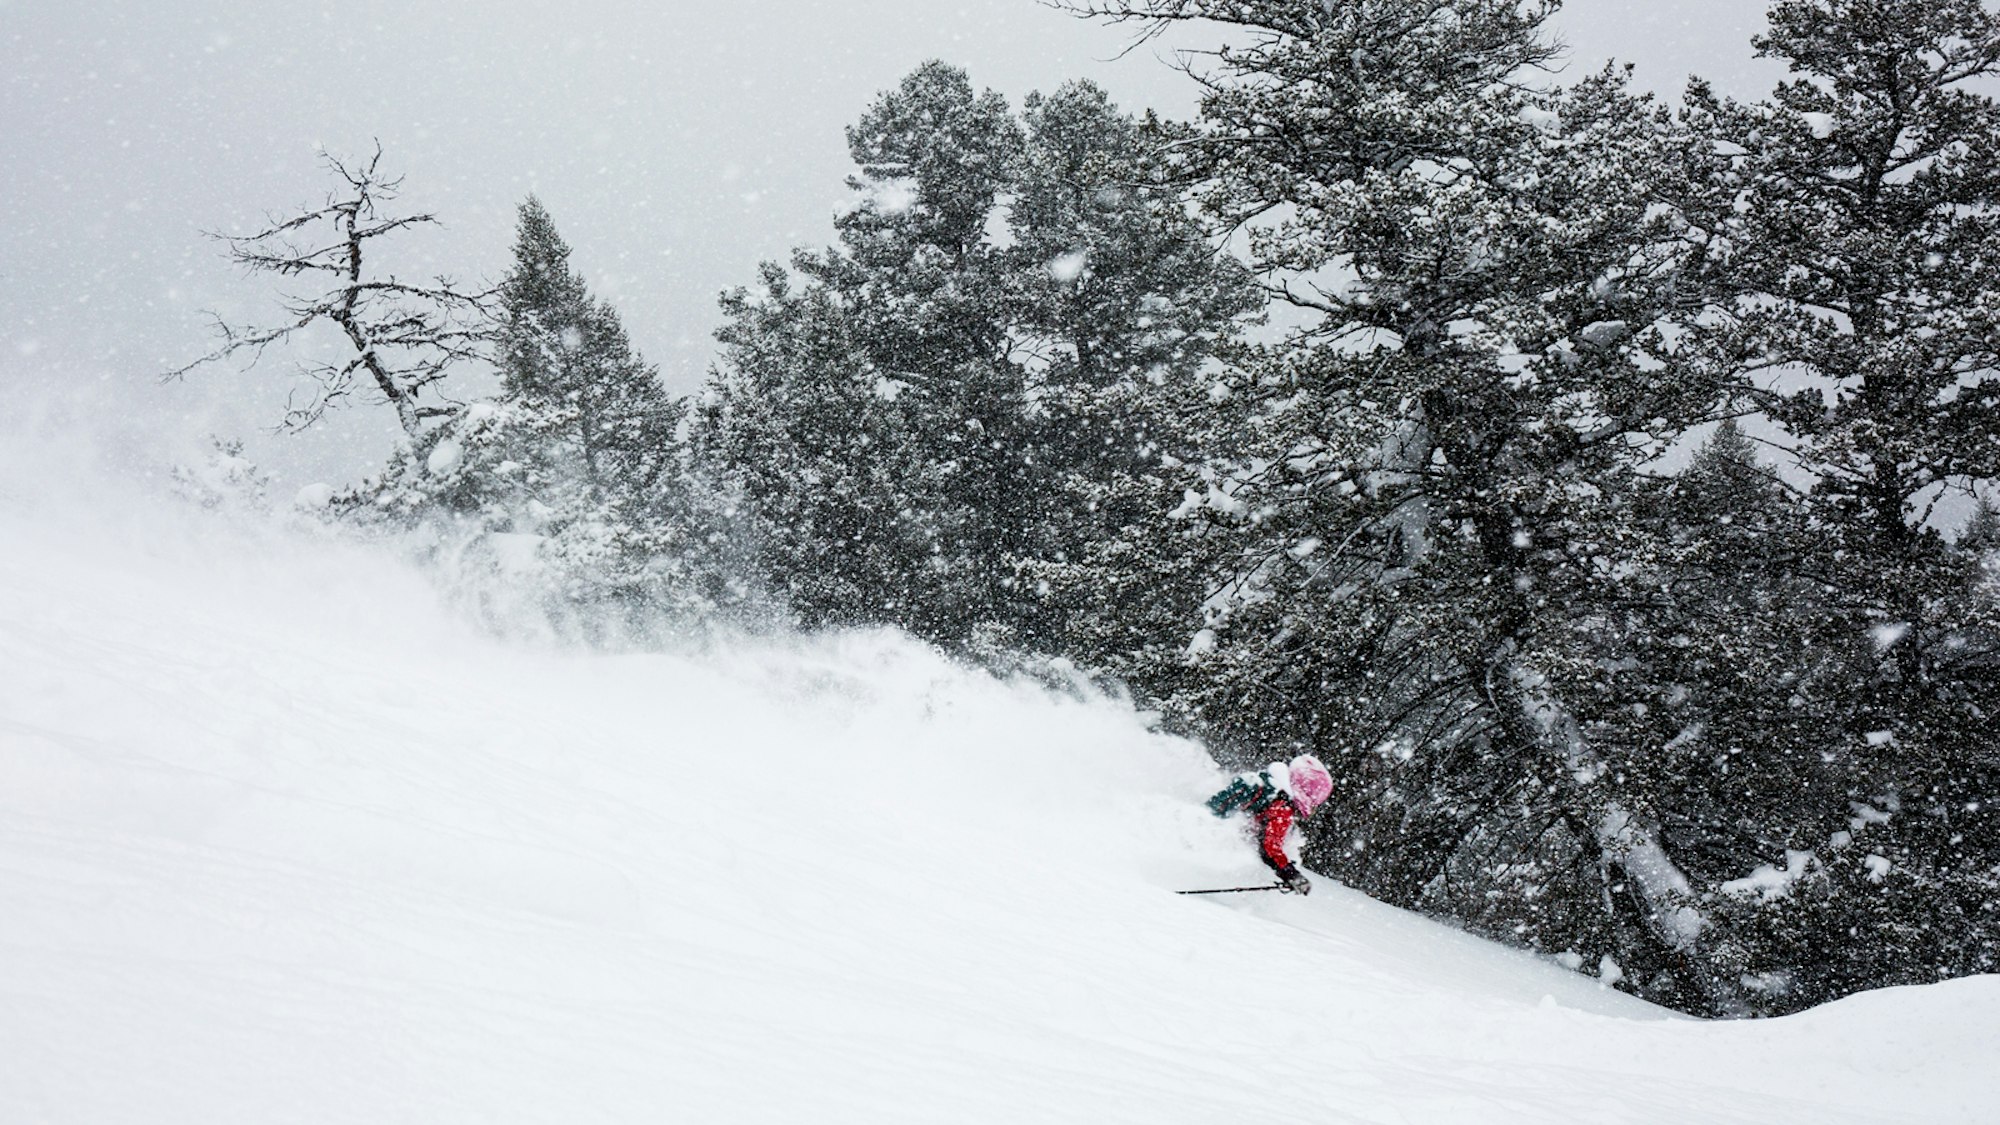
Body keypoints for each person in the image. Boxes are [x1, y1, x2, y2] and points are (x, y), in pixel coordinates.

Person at [1205, 754, 1333, 894]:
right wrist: (1291, 874)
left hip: (1212, 823)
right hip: (1218, 839)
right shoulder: (1283, 809)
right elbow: (1270, 847)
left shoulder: (1268, 783)